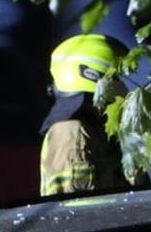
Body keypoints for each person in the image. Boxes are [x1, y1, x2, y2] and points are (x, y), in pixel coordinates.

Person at [39, 33, 132, 196]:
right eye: (116, 78)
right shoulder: (72, 133)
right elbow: (82, 211)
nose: (124, 87)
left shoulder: (94, 132)